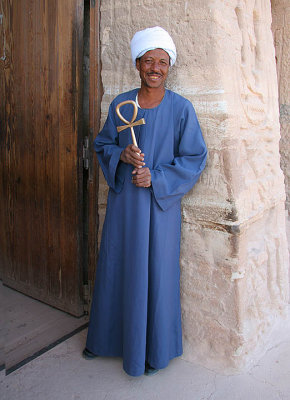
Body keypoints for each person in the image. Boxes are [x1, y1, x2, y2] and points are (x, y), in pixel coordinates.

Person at [83, 26, 207, 377]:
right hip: (125, 210)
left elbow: (195, 156)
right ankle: (106, 341)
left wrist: (158, 177)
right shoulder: (122, 105)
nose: (155, 67)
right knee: (118, 268)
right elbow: (102, 144)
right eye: (148, 61)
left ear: (170, 67)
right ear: (137, 64)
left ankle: (152, 351)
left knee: (157, 275)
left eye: (162, 62)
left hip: (160, 210)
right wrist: (121, 156)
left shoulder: (182, 109)